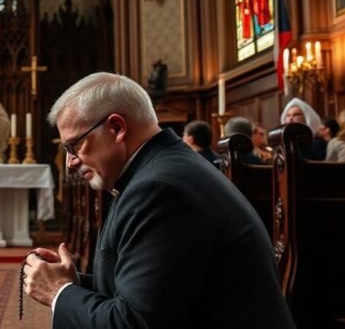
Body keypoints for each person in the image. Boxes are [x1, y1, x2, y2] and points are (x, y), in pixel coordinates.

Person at [23, 72, 294, 328]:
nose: (70, 162)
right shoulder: (158, 170)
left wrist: (58, 292)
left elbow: (134, 323)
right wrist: (74, 283)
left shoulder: (158, 189)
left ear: (116, 127)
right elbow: (156, 292)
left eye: (75, 146)